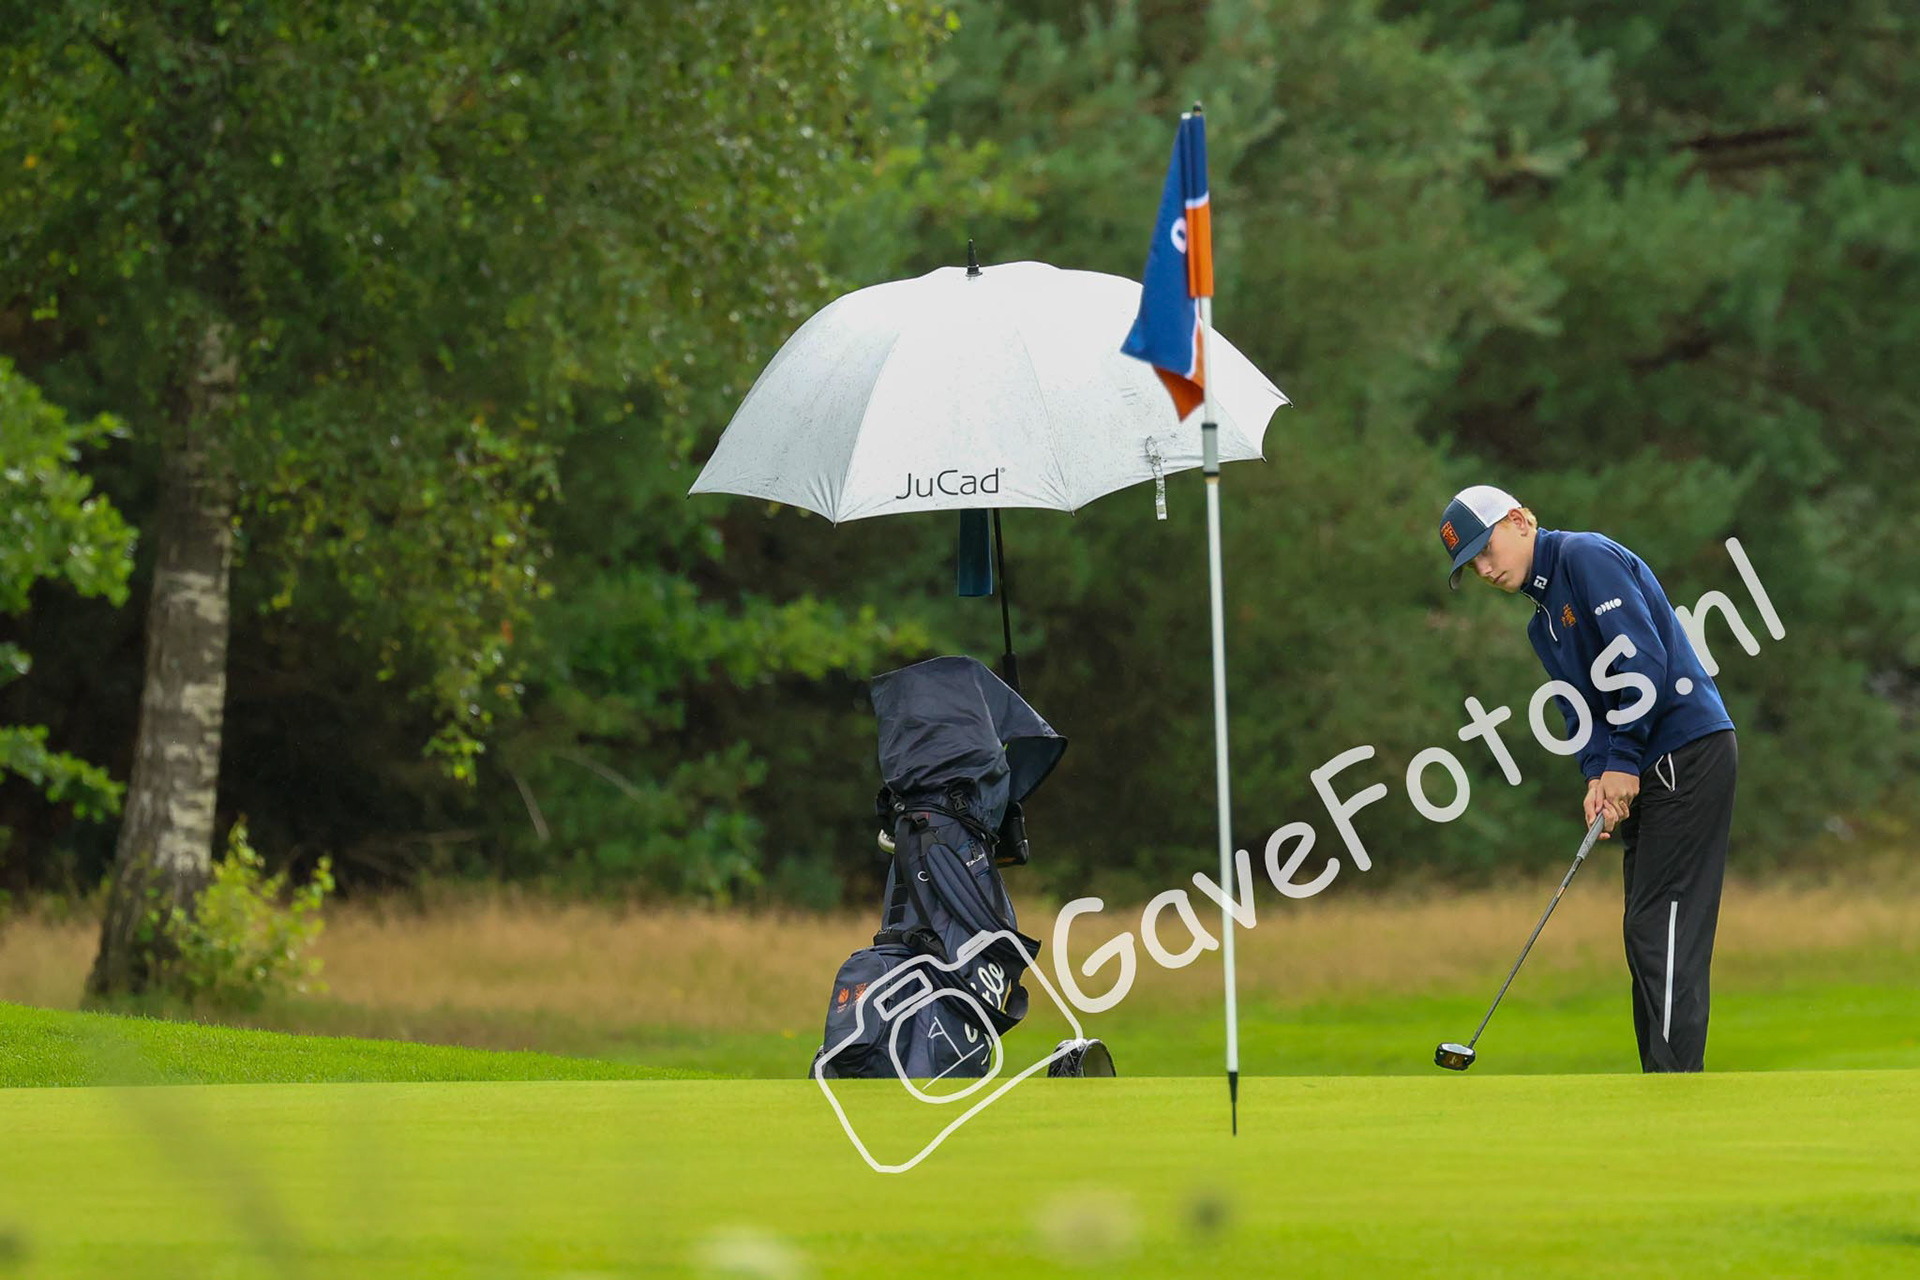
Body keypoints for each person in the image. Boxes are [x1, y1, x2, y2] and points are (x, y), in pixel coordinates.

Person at [1438, 484, 1738, 1072]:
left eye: (1486, 548)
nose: (1484, 567)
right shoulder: (1541, 626)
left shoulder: (1583, 556)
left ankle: (1677, 1082)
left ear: (1521, 520)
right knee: (1643, 927)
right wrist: (1597, 775)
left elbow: (1640, 660)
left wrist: (1623, 760)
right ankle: (1662, 1076)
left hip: (1686, 752)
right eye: (1470, 563)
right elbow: (1579, 714)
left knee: (1663, 926)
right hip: (1648, 764)